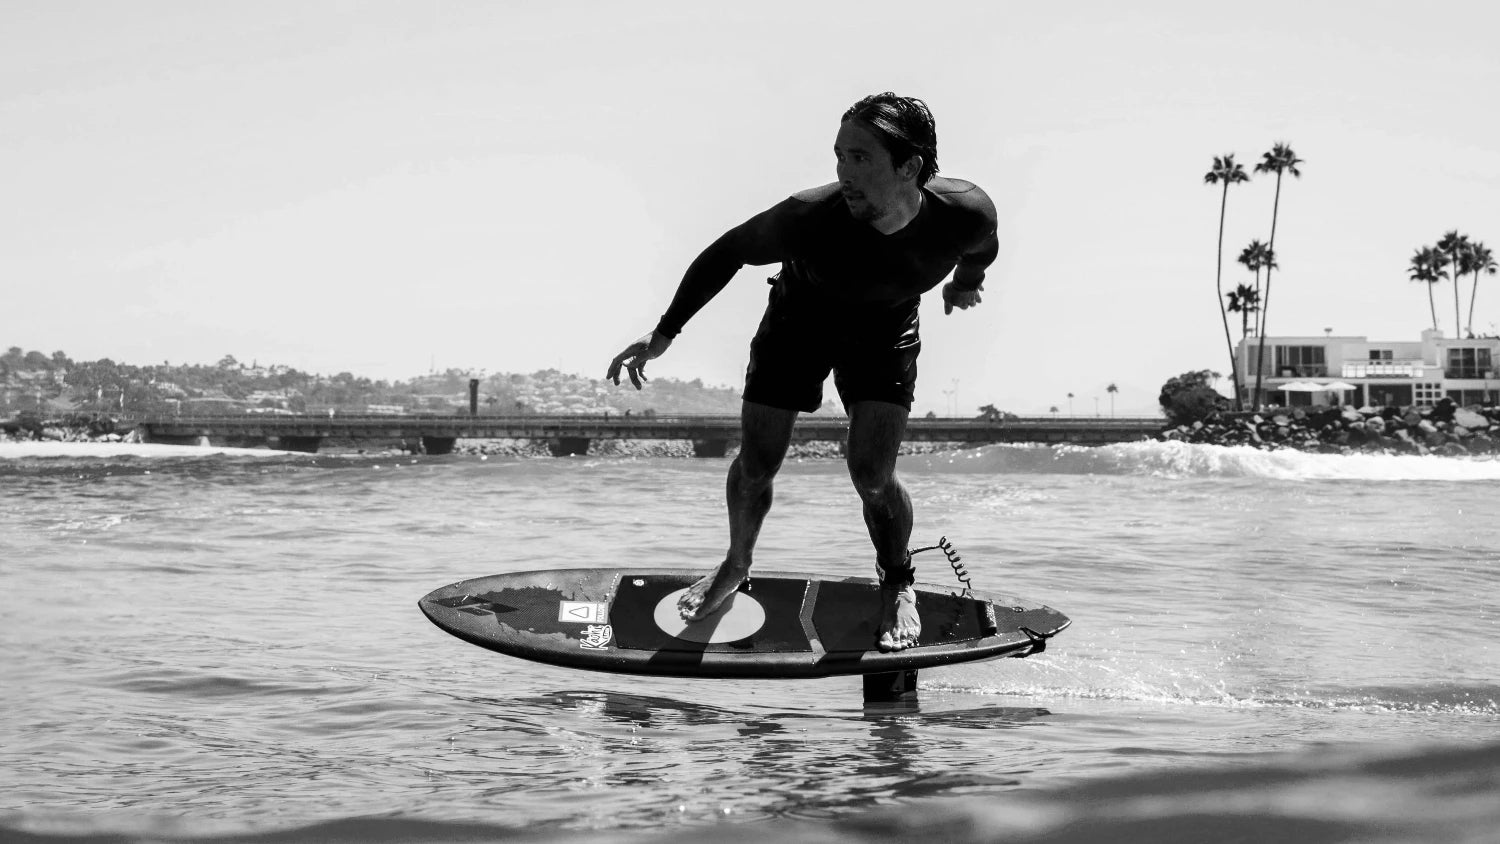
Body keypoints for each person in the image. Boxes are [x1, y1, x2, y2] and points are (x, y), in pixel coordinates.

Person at [607, 92, 998, 651]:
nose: (844, 173)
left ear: (909, 166)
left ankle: (897, 582)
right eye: (839, 156)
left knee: (872, 475)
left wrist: (966, 282)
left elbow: (983, 246)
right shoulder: (809, 216)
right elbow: (726, 252)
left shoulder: (963, 212)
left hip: (886, 333)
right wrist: (664, 334)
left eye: (861, 159)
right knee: (758, 463)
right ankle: (737, 562)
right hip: (797, 324)